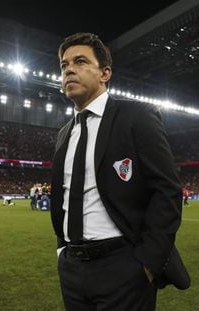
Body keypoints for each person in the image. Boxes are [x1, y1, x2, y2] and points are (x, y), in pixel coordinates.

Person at [50, 32, 189, 311]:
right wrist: (62, 250)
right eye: (64, 65)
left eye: (80, 61)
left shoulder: (136, 117)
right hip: (72, 269)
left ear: (105, 73)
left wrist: (147, 263)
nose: (69, 70)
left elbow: (167, 190)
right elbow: (63, 198)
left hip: (124, 267)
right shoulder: (64, 134)